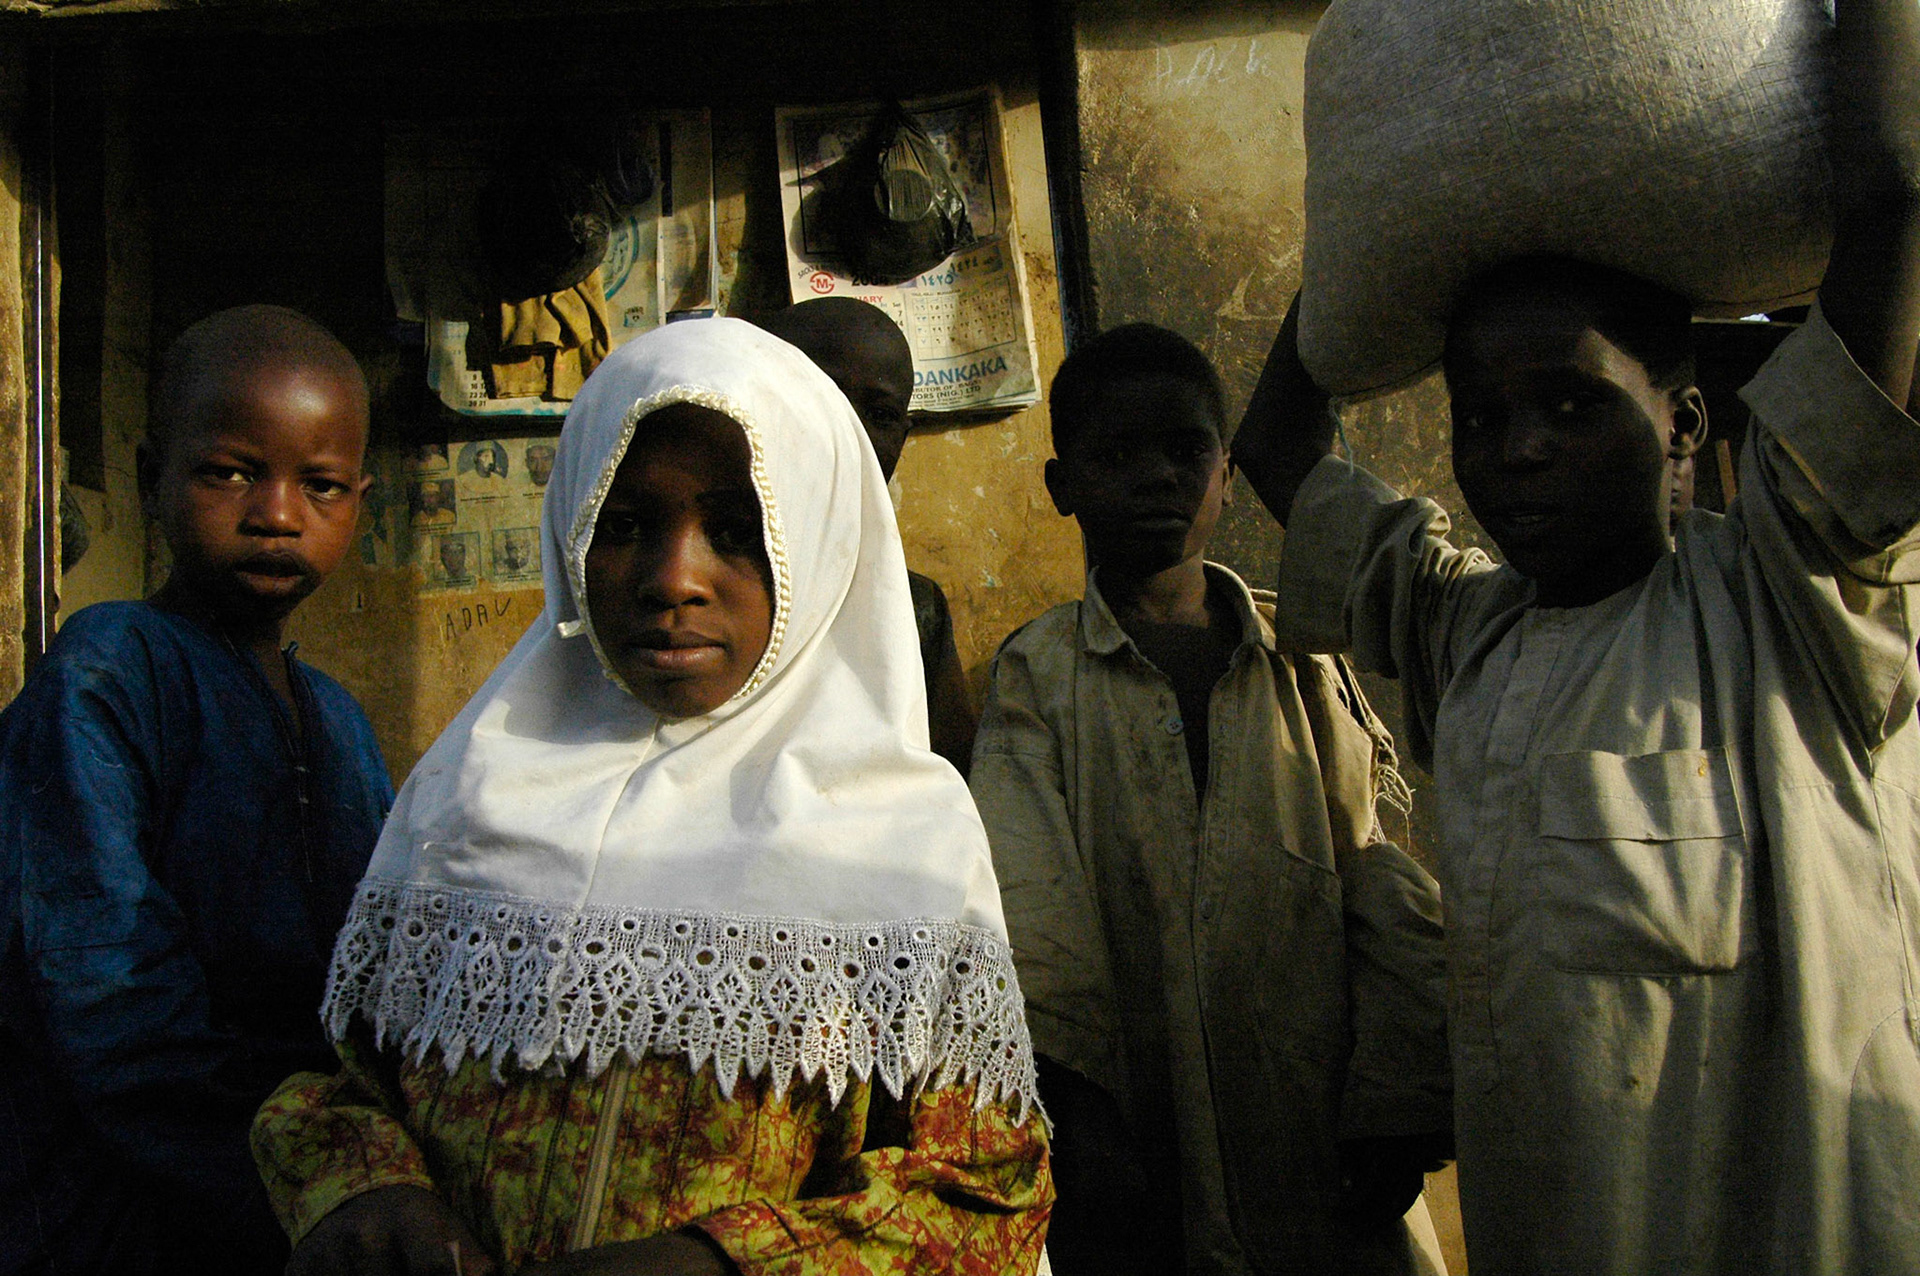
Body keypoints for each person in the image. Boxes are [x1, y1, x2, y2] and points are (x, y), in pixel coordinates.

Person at [1230, 2, 1920, 1270]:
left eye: (1569, 401)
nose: (1519, 447)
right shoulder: (1464, 637)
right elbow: (1276, 445)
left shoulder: (1793, 594)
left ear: (1687, 424)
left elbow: (1890, 203)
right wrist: (1376, 217)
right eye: (1483, 416)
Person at [252, 317, 1052, 1276]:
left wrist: (716, 1264)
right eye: (624, 525)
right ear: (572, 531)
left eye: (737, 530)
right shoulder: (469, 790)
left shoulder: (900, 837)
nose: (674, 580)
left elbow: (985, 1193)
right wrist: (371, 1186)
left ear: (822, 536)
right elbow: (350, 1086)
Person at [970, 323, 1452, 1276]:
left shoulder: (1300, 655)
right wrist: (1085, 1122)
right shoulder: (1039, 671)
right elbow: (1031, 913)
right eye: (1118, 456)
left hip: (1325, 1128)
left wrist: (1396, 1099)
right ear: (1063, 489)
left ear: (1229, 473)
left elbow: (1372, 872)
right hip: (1135, 1146)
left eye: (1186, 450)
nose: (1158, 478)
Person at [0, 304, 393, 1276]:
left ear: (359, 502)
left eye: (322, 485)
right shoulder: (108, 672)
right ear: (150, 477)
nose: (276, 512)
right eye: (229, 471)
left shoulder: (337, 719)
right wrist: (280, 1194)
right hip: (116, 1203)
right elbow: (105, 989)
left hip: (311, 1190)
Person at [756, 297, 978, 774]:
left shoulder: (914, 609)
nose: (849, 431)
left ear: (903, 433)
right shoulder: (692, 589)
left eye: (879, 414)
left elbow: (949, 784)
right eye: (822, 397)